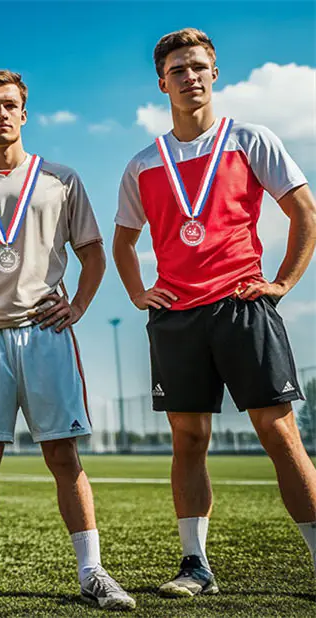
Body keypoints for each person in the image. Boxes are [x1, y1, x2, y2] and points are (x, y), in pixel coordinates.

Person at [0, 70, 136, 610]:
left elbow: (92, 252)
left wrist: (79, 305)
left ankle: (92, 572)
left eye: (10, 104)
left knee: (63, 456)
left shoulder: (61, 178)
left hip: (45, 334)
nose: (1, 114)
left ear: (24, 113)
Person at [114, 27, 316, 597]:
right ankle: (195, 566)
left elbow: (305, 213)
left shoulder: (251, 140)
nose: (190, 77)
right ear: (163, 82)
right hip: (177, 316)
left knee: (279, 434)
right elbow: (123, 241)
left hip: (242, 305)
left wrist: (282, 283)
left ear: (214, 73)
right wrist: (138, 293)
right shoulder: (142, 163)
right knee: (189, 440)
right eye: (178, 70)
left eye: (199, 66)